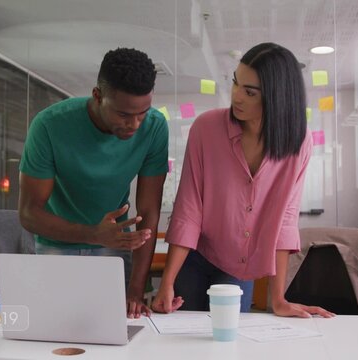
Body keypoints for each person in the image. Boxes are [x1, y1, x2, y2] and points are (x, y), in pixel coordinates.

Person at [151, 42, 333, 318]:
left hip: (238, 265)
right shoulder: (205, 128)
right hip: (195, 255)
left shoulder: (299, 143)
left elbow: (285, 219)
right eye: (236, 84)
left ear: (276, 97)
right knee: (178, 336)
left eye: (249, 92)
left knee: (228, 341)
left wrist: (279, 299)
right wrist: (167, 281)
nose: (236, 96)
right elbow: (189, 208)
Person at [19, 47, 168, 319]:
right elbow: (29, 214)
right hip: (56, 241)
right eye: (124, 114)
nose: (135, 124)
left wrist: (136, 289)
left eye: (142, 113)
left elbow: (149, 212)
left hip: (113, 243)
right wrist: (92, 234)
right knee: (56, 324)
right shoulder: (49, 125)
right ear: (97, 96)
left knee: (111, 325)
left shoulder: (155, 127)